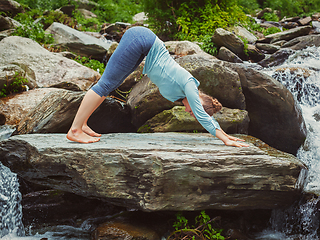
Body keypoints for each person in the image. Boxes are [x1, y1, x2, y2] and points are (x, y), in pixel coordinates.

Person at [67, 26, 249, 147]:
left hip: (143, 47)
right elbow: (203, 117)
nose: (189, 112)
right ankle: (75, 129)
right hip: (141, 40)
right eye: (193, 111)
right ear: (199, 101)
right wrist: (225, 138)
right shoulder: (190, 86)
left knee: (109, 86)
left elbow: (201, 113)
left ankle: (82, 124)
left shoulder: (179, 95)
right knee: (105, 85)